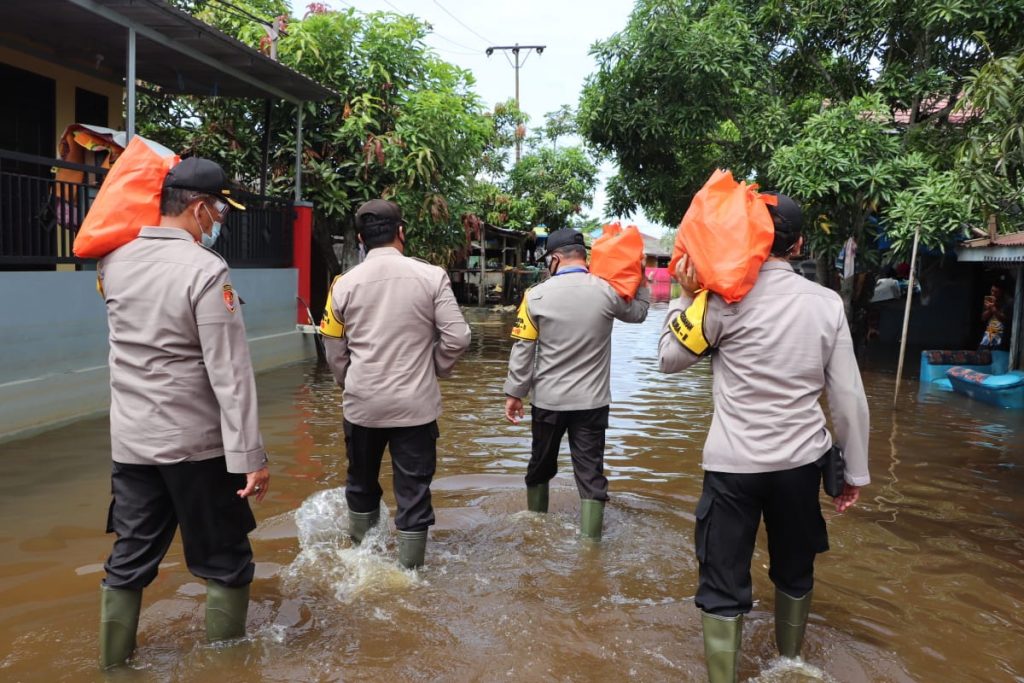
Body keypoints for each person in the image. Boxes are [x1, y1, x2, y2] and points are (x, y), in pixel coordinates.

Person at [657, 194, 870, 682]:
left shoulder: (721, 299)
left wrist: (686, 294)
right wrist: (854, 472)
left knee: (722, 581)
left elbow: (669, 359)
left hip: (733, 466)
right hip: (800, 465)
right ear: (797, 245)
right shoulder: (826, 304)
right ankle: (790, 664)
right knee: (795, 568)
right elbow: (849, 398)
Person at [96, 157, 270, 668]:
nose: (219, 221)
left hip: (130, 444)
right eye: (219, 211)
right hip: (195, 446)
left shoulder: (115, 262)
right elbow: (230, 374)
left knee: (128, 560)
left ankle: (111, 669)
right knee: (227, 562)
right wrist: (251, 456)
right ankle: (225, 669)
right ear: (198, 208)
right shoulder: (205, 270)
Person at [320, 199, 471, 569]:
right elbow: (459, 337)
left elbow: (332, 346)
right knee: (414, 494)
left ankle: (361, 563)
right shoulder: (431, 276)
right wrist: (433, 366)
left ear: (360, 239)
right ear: (401, 232)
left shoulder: (343, 285)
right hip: (415, 408)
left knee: (361, 485)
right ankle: (410, 576)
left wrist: (349, 382)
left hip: (362, 406)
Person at [503, 228, 650, 540]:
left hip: (548, 403)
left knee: (539, 468)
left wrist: (515, 393)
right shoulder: (607, 292)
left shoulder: (536, 296)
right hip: (593, 404)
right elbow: (639, 314)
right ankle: (591, 548)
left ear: (555, 259)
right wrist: (642, 276)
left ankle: (535, 530)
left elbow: (523, 349)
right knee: (590, 473)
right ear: (583, 256)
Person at [979, 283, 1010, 350]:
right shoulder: (990, 300)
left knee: (997, 354)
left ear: (1001, 292)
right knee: (982, 352)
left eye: (996, 292)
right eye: (992, 291)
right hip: (989, 332)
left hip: (1002, 334)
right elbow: (983, 318)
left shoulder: (1008, 302)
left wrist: (994, 309)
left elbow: (1004, 319)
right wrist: (990, 309)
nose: (993, 294)